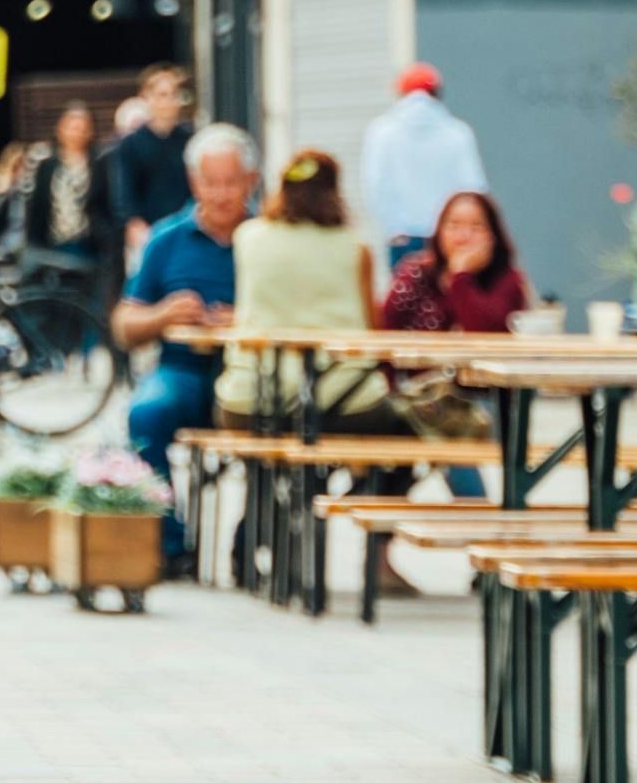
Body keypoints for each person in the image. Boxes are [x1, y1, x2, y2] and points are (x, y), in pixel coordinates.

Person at [109, 123, 256, 571]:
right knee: (146, 413)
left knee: (289, 424)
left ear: (252, 181)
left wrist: (247, 319)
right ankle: (171, 544)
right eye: (212, 182)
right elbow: (123, 324)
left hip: (251, 372)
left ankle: (250, 539)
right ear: (194, 183)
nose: (222, 193)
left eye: (232, 182)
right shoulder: (166, 238)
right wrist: (165, 313)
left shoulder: (266, 237)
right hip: (184, 371)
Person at [218, 149, 393, 432]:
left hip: (250, 398)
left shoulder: (247, 237)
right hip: (345, 400)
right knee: (398, 430)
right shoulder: (354, 247)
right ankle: (363, 479)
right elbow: (372, 328)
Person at [383, 188, 529, 493]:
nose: (463, 236)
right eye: (454, 225)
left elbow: (484, 334)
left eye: (476, 227)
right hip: (420, 398)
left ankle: (476, 525)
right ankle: (477, 526)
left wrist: (460, 277)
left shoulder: (507, 282)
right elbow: (385, 333)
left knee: (447, 435)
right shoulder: (414, 274)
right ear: (438, 230)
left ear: (493, 235)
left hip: (485, 402)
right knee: (404, 425)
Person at [359, 63, 489, 273]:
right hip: (450, 237)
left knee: (407, 302)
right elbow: (473, 188)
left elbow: (375, 185)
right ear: (437, 93)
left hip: (403, 239)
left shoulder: (382, 132)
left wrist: (393, 229)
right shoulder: (458, 133)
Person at [102, 63, 195, 262]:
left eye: (174, 94)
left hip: (186, 231)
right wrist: (134, 224)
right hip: (147, 235)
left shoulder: (190, 139)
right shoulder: (130, 144)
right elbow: (123, 193)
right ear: (147, 97)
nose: (169, 101)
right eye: (163, 94)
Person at [11, 101, 111, 280]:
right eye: (72, 127)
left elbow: (104, 203)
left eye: (82, 128)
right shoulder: (46, 164)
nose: (76, 133)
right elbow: (36, 204)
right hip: (51, 242)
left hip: (87, 244)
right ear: (60, 128)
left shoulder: (99, 165)